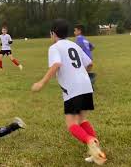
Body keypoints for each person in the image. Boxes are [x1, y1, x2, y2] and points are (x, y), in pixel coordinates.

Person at [31, 19, 107, 165]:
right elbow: (89, 64)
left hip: (73, 89)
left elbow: (56, 65)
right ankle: (96, 152)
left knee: (72, 124)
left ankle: (90, 140)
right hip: (86, 86)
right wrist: (80, 75)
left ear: (53, 33)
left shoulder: (54, 47)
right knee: (82, 120)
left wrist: (41, 83)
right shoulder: (74, 45)